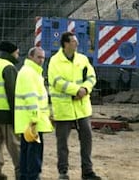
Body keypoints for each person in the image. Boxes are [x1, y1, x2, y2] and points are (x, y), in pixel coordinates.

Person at [48, 31, 101, 180]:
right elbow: (56, 82)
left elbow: (91, 77)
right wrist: (76, 90)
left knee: (87, 139)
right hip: (64, 109)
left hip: (81, 109)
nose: (76, 43)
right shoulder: (55, 61)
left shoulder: (82, 59)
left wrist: (85, 89)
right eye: (73, 41)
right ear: (66, 44)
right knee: (62, 142)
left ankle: (87, 171)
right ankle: (63, 172)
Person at [14, 46, 53, 180]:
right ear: (30, 57)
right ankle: (33, 177)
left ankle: (25, 176)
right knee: (34, 152)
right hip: (32, 121)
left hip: (28, 120)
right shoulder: (29, 73)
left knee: (27, 151)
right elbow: (31, 98)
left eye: (43, 57)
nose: (41, 60)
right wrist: (35, 119)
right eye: (38, 57)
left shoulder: (31, 72)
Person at [0, 40, 21, 180]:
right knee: (14, 145)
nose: (18, 56)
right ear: (11, 53)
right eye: (17, 53)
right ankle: (21, 171)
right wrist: (16, 116)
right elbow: (12, 93)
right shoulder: (9, 67)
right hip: (5, 112)